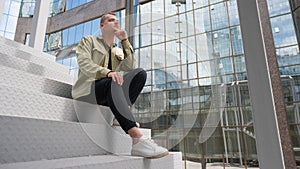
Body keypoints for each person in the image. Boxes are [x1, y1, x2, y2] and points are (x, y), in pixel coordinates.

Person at [72, 12, 169, 159]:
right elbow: (84, 64)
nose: (115, 23)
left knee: (140, 73)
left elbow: (130, 66)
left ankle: (121, 115)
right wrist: (108, 72)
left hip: (109, 90)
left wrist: (124, 41)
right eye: (111, 20)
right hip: (88, 90)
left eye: (117, 20)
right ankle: (137, 139)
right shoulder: (89, 41)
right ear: (102, 25)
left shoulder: (118, 50)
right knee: (113, 80)